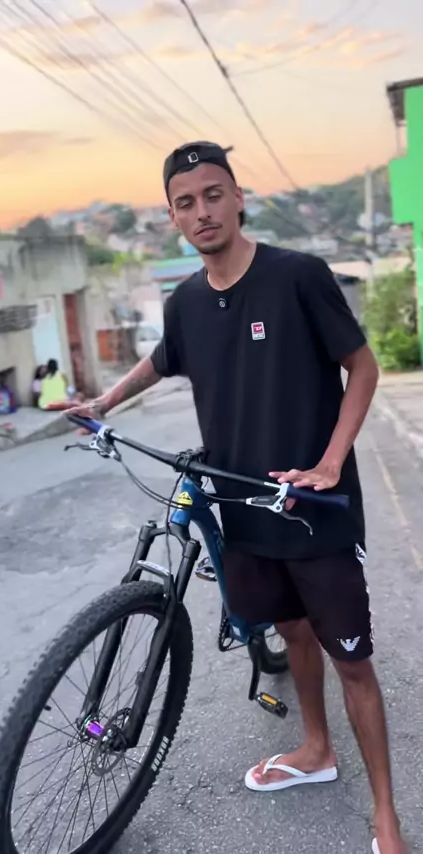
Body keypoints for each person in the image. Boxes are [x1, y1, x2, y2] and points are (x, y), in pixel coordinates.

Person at [68, 141, 406, 854]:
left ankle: (387, 820)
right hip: (242, 509)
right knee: (293, 632)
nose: (202, 211)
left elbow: (363, 366)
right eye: (186, 202)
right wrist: (104, 402)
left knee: (352, 661)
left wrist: (331, 461)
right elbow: (161, 359)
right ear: (172, 217)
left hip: (313, 511)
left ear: (238, 197)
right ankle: (316, 747)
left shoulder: (297, 275)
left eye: (213, 194)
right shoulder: (185, 302)